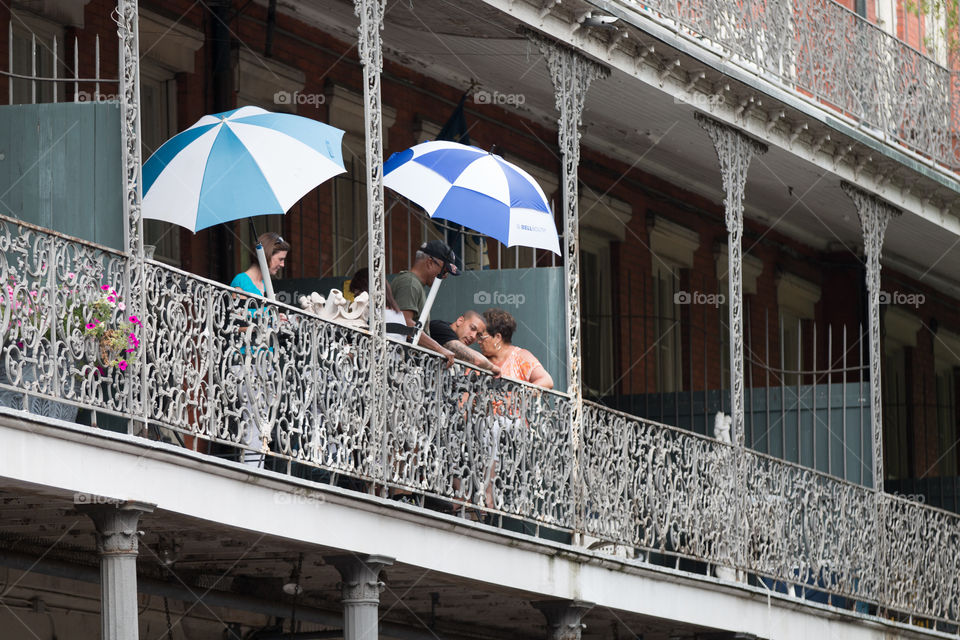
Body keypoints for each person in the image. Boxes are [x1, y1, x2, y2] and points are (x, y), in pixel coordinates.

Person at [227, 232, 290, 468]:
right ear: (267, 255)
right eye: (280, 259)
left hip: (263, 361)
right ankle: (252, 468)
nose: (282, 265)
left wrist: (276, 319)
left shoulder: (266, 286)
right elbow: (234, 325)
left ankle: (258, 465)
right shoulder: (240, 281)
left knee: (263, 418)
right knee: (252, 416)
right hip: (244, 360)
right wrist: (267, 318)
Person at [349, 268, 455, 367]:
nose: (356, 300)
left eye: (357, 294)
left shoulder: (379, 315)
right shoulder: (396, 315)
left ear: (367, 291)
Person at [391, 240, 460, 329]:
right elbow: (405, 325)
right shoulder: (410, 283)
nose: (445, 276)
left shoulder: (415, 284)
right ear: (430, 263)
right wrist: (434, 344)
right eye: (444, 271)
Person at [479, 308, 553, 389]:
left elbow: (546, 380)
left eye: (482, 337)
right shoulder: (479, 361)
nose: (478, 341)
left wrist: (518, 398)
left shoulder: (520, 357)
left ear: (497, 337)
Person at [429, 311, 500, 376]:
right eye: (472, 328)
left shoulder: (458, 339)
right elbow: (478, 360)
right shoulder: (439, 327)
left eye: (478, 335)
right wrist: (493, 367)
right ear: (460, 321)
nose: (473, 336)